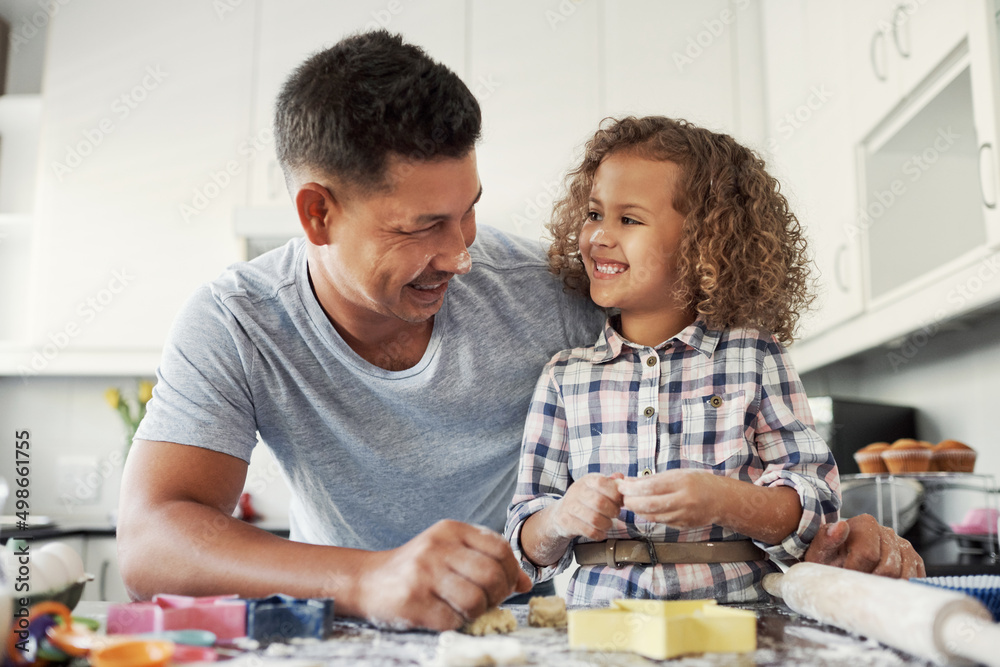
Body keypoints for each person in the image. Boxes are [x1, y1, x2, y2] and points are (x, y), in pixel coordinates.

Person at [118, 31, 923, 632]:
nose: (461, 255)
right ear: (318, 213)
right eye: (424, 225)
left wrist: (832, 531)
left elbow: (715, 391)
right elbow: (153, 544)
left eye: (469, 210)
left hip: (547, 631)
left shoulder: (550, 289)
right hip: (358, 631)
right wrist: (367, 577)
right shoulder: (236, 319)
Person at [504, 116, 920, 605]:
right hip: (598, 633)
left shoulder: (754, 357)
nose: (598, 236)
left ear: (704, 243)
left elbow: (817, 507)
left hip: (741, 627)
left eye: (629, 219)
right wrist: (559, 518)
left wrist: (725, 500)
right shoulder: (564, 376)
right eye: (594, 214)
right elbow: (524, 543)